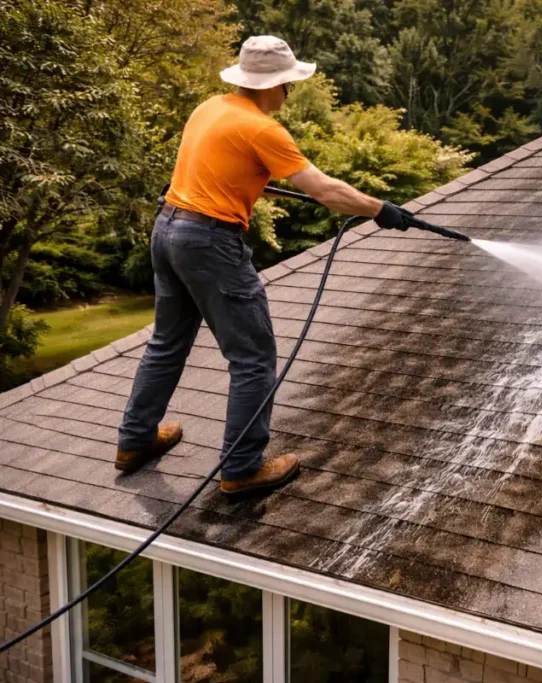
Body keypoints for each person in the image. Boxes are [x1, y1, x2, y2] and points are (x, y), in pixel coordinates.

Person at [115, 36, 410, 497]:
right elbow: (326, 191)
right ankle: (241, 468)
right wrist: (381, 210)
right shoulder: (263, 129)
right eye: (288, 85)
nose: (289, 94)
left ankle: (134, 442)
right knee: (253, 357)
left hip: (168, 230)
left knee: (167, 342)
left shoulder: (210, 108)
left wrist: (260, 185)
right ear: (273, 85)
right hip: (209, 243)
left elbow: (222, 170)